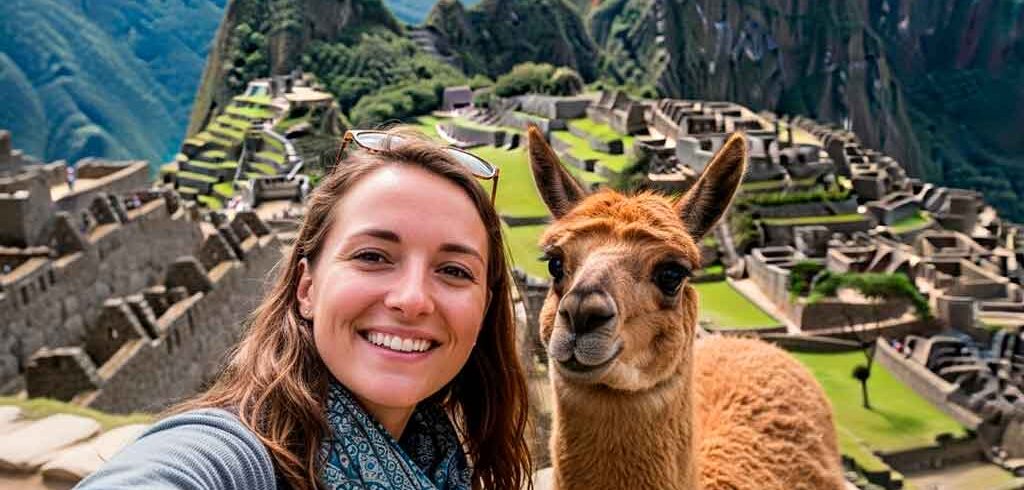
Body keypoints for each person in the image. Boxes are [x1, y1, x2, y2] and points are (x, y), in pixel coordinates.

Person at [77, 129, 532, 490]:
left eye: (454, 270)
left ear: (484, 309)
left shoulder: (442, 462)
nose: (412, 298)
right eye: (372, 256)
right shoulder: (239, 456)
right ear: (307, 287)